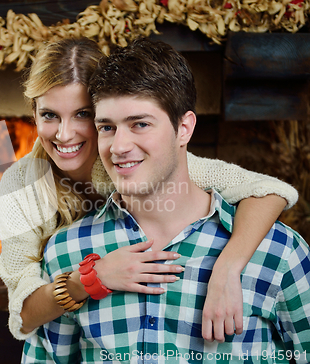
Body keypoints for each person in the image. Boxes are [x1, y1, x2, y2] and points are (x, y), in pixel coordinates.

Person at [21, 37, 310, 363]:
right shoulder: (65, 252)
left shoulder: (278, 254)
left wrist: (229, 266)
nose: (118, 147)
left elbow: (267, 189)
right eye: (106, 127)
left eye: (140, 124)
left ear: (184, 128)